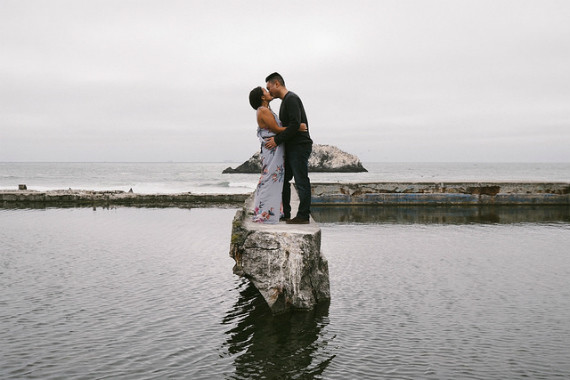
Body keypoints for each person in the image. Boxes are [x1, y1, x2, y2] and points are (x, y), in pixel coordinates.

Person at [248, 86, 307, 224]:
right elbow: (276, 129)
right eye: (266, 91)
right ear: (262, 97)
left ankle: (271, 211)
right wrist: (297, 127)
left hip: (275, 147)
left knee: (274, 179)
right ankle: (264, 213)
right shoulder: (263, 111)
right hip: (272, 148)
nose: (269, 93)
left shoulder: (266, 109)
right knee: (270, 178)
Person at [264, 72, 313, 224]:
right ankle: (285, 213)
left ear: (277, 83)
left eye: (269, 87)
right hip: (292, 146)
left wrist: (276, 140)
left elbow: (294, 124)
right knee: (284, 180)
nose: (269, 91)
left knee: (301, 180)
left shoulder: (291, 98)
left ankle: (303, 216)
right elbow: (293, 126)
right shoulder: (285, 101)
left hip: (299, 146)